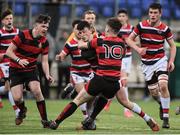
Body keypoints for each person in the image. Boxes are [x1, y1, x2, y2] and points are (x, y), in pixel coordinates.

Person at [49, 18, 159, 131]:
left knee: (77, 101)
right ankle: (147, 118)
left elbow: (82, 46)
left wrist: (82, 39)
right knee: (118, 100)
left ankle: (56, 122)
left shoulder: (99, 41)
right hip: (114, 82)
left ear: (108, 28)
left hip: (100, 78)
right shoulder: (122, 44)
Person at [126, 3, 176, 129]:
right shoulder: (141, 26)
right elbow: (129, 40)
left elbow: (173, 46)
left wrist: (171, 61)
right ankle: (161, 103)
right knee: (153, 92)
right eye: (151, 12)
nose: (153, 15)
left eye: (155, 13)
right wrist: (138, 49)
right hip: (146, 64)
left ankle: (166, 118)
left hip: (160, 60)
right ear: (148, 13)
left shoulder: (165, 28)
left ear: (160, 13)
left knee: (163, 85)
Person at [5, 14, 54, 127]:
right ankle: (22, 111)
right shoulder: (22, 35)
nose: (45, 29)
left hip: (31, 69)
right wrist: (19, 60)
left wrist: (47, 74)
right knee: (17, 98)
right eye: (43, 26)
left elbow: (44, 61)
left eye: (47, 27)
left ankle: (45, 121)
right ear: (36, 25)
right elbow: (8, 51)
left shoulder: (45, 42)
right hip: (16, 69)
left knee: (37, 91)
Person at [55, 19, 92, 120]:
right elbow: (62, 55)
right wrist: (59, 57)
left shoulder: (89, 41)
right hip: (77, 73)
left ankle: (71, 90)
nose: (79, 32)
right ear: (73, 30)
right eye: (76, 29)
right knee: (82, 95)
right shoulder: (70, 43)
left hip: (89, 72)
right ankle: (86, 118)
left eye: (81, 29)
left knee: (92, 96)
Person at [0, 9, 20, 116]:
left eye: (11, 18)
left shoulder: (18, 32)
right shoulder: (0, 33)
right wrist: (4, 55)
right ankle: (17, 111)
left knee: (8, 88)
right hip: (4, 64)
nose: (9, 21)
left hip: (16, 63)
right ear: (3, 21)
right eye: (7, 19)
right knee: (11, 87)